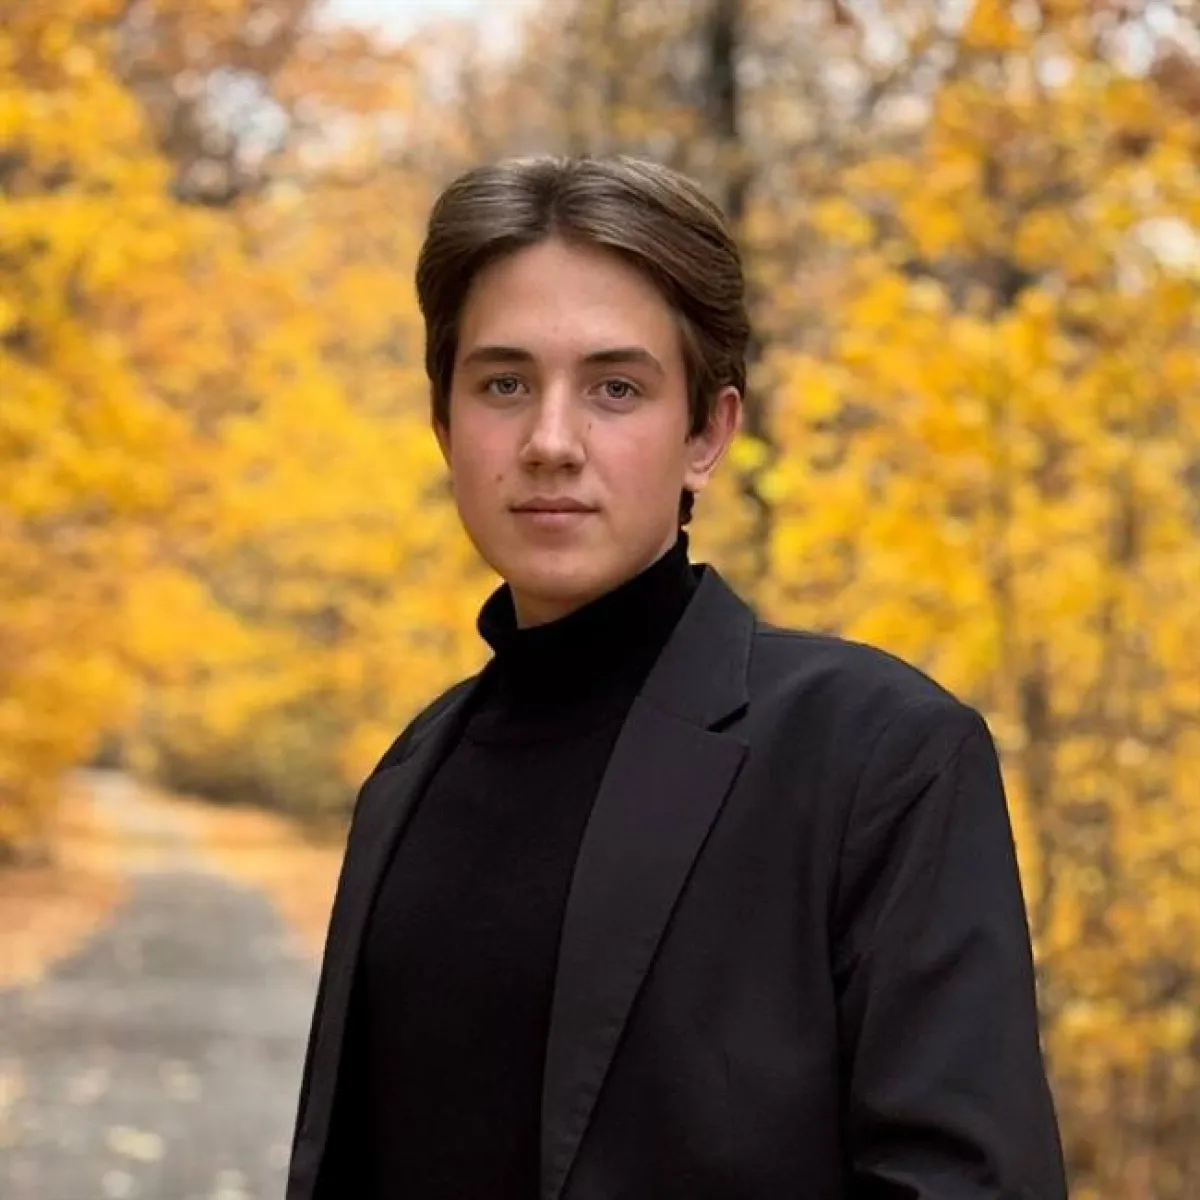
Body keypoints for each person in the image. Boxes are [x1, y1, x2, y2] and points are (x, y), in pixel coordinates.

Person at [285, 155, 1068, 1200]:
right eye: (504, 384)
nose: (550, 442)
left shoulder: (876, 757)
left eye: (616, 388)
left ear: (708, 434)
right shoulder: (410, 773)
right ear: (444, 426)